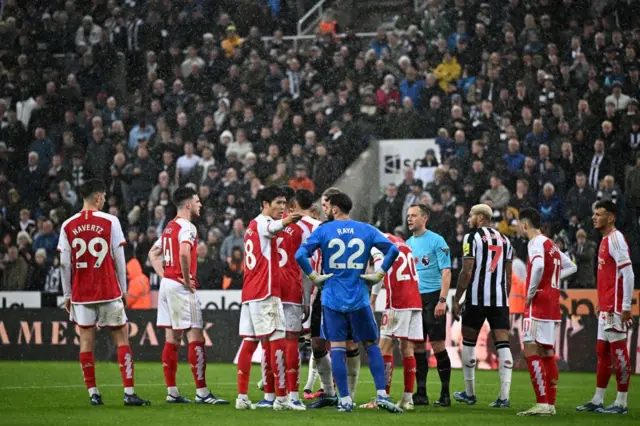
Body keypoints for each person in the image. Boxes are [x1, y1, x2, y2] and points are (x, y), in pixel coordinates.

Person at [295, 192, 402, 413]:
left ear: (335, 209)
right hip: (359, 296)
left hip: (332, 297)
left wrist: (314, 276)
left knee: (337, 347)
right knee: (371, 345)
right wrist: (379, 274)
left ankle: (344, 399)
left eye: (328, 207)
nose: (325, 210)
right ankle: (382, 395)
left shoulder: (323, 230)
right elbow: (394, 250)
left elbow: (299, 255)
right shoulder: (366, 229)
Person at [57, 179, 150, 406]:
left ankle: (94, 394)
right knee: (121, 338)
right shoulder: (111, 221)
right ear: (97, 197)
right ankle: (128, 392)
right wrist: (124, 290)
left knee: (86, 342)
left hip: (82, 293)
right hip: (108, 290)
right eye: (105, 197)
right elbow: (119, 258)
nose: (106, 200)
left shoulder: (68, 225)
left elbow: (64, 264)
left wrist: (67, 294)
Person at [148, 187, 228, 405]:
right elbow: (184, 252)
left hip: (166, 285)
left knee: (172, 338)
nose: (200, 204)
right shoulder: (188, 227)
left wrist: (166, 275)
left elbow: (153, 254)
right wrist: (184, 278)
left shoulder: (169, 228)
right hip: (180, 286)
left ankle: (172, 391)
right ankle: (202, 392)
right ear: (187, 205)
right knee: (196, 336)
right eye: (197, 201)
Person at [234, 185, 304, 411]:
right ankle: (282, 399)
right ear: (265, 204)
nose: (282, 208)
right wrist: (288, 221)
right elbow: (273, 227)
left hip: (250, 293)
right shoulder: (263, 223)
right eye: (278, 203)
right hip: (266, 293)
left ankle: (242, 397)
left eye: (285, 203)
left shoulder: (250, 227)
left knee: (250, 343)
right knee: (278, 344)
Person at [451, 204, 514, 408]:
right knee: (503, 344)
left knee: (468, 343)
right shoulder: (506, 240)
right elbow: (508, 276)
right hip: (499, 300)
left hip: (476, 299)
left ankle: (470, 393)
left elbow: (467, 271)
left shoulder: (472, 238)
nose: (468, 219)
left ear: (480, 217)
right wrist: (503, 296)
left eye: (470, 216)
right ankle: (504, 397)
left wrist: (457, 298)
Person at [516, 208, 576, 416]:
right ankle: (550, 404)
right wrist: (553, 283)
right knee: (547, 352)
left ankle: (542, 403)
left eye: (518, 224)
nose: (518, 228)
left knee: (531, 350)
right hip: (551, 304)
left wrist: (531, 292)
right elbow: (572, 267)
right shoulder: (550, 244)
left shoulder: (535, 243)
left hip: (537, 304)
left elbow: (539, 266)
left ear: (525, 224)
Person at [576, 201, 634, 414]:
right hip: (607, 305)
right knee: (602, 351)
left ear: (611, 218)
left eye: (599, 214)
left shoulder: (616, 239)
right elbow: (609, 276)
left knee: (618, 351)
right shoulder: (604, 240)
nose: (594, 217)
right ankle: (598, 399)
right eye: (594, 214)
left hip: (616, 307)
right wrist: (601, 301)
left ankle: (621, 402)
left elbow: (628, 273)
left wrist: (625, 306)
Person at [274, 187, 320, 408]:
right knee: (293, 341)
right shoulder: (305, 228)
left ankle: (274, 394)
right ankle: (292, 395)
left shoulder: (269, 225)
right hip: (292, 288)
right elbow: (305, 265)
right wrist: (306, 297)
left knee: (273, 341)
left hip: (270, 289)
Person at [368, 233, 423, 411]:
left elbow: (379, 271)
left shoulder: (378, 244)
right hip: (415, 299)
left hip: (397, 301)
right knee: (407, 348)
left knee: (383, 346)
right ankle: (408, 398)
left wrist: (373, 298)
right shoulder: (405, 245)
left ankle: (382, 397)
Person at [405, 204, 452, 407]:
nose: (409, 219)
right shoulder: (407, 244)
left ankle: (445, 394)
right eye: (408, 216)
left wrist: (442, 300)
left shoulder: (436, 240)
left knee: (438, 344)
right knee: (418, 346)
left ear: (425, 218)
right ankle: (421, 393)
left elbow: (447, 272)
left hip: (433, 298)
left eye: (413, 215)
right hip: (415, 299)